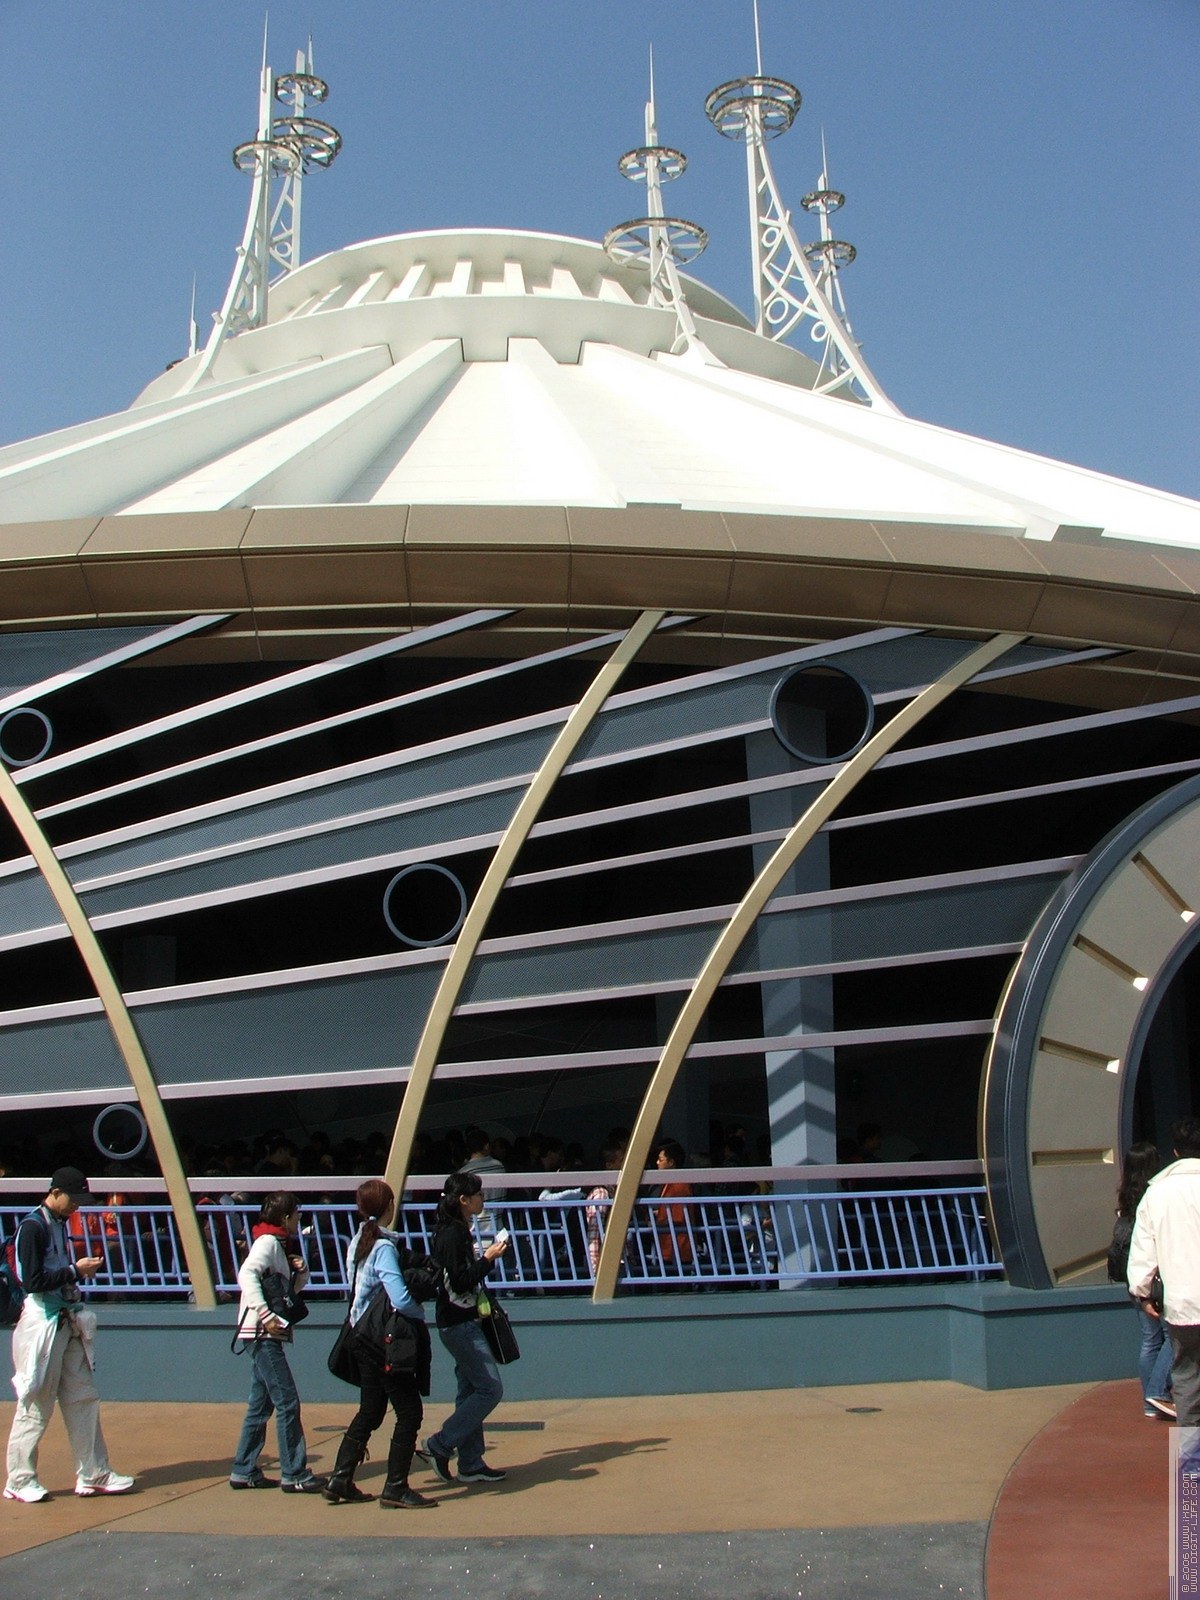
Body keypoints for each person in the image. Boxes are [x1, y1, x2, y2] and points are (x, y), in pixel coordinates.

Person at [4, 1166, 135, 1503]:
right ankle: (19, 1479)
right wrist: (75, 1270)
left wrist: (73, 1274)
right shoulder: (32, 1227)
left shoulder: (59, 1223)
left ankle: (94, 1472)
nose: (77, 1205)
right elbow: (31, 1281)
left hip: (66, 1318)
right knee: (36, 1402)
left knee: (82, 1397)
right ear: (55, 1193)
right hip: (42, 1323)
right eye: (73, 1198)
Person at [324, 1179, 436, 1510]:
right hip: (381, 1342)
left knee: (371, 1410)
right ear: (389, 1206)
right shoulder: (383, 1247)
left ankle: (340, 1479)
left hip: (360, 1336)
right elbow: (399, 1298)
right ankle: (396, 1486)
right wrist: (419, 1313)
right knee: (410, 1412)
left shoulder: (359, 1241)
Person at [229, 1191, 325, 1494]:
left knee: (261, 1404)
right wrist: (266, 1314)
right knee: (287, 1401)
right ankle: (294, 1473)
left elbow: (288, 1292)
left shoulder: (277, 1245)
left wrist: (301, 1272)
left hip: (264, 1333)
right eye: (296, 1213)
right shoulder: (268, 1243)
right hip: (263, 1334)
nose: (299, 1218)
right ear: (285, 1217)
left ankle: (243, 1470)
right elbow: (247, 1274)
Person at [419, 1172, 511, 1485]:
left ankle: (471, 1462)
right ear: (463, 1200)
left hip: (463, 1319)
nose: (482, 1199)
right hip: (458, 1323)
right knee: (490, 1388)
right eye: (478, 1195)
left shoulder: (456, 1229)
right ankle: (440, 1444)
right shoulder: (453, 1234)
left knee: (470, 1390)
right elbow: (459, 1281)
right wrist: (488, 1258)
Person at [1128, 1116, 1200, 1459]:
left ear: (1175, 1152)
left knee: (1186, 1381)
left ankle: (1190, 1478)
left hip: (1183, 1305)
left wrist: (1142, 1293)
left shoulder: (1157, 1194)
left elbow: (1143, 1252)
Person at [1108, 1141, 1174, 1419]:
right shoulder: (1155, 1195)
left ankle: (1151, 1402)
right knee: (1174, 1337)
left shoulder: (1125, 1198)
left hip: (1134, 1280)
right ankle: (1157, 1392)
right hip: (1157, 1280)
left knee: (1150, 1340)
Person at [653, 1138, 694, 1276]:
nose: (657, 1163)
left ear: (671, 1162)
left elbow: (677, 1217)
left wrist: (657, 1222)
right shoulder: (670, 1183)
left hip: (676, 1248)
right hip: (669, 1247)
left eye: (661, 1160)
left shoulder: (678, 1185)